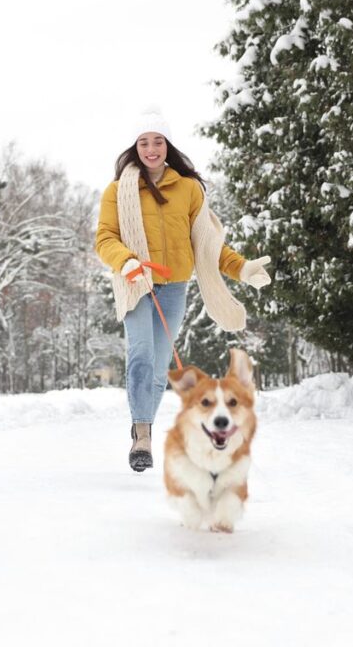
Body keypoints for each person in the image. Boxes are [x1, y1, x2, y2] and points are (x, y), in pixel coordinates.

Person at [94, 107, 272, 472]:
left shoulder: (188, 189)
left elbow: (206, 243)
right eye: (143, 142)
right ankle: (142, 437)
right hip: (135, 284)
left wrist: (241, 267)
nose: (151, 148)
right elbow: (104, 238)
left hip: (174, 288)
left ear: (167, 145)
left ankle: (143, 421)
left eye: (157, 141)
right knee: (141, 356)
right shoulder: (117, 191)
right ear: (135, 147)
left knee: (160, 368)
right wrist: (126, 260)